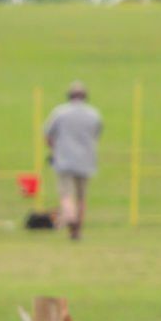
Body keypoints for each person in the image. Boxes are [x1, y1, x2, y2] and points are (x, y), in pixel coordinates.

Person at [44, 82, 102, 241]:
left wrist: (54, 149)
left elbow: (48, 135)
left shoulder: (60, 112)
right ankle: (77, 231)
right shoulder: (94, 114)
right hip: (86, 161)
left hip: (64, 161)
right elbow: (96, 134)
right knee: (81, 198)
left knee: (66, 195)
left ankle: (71, 218)